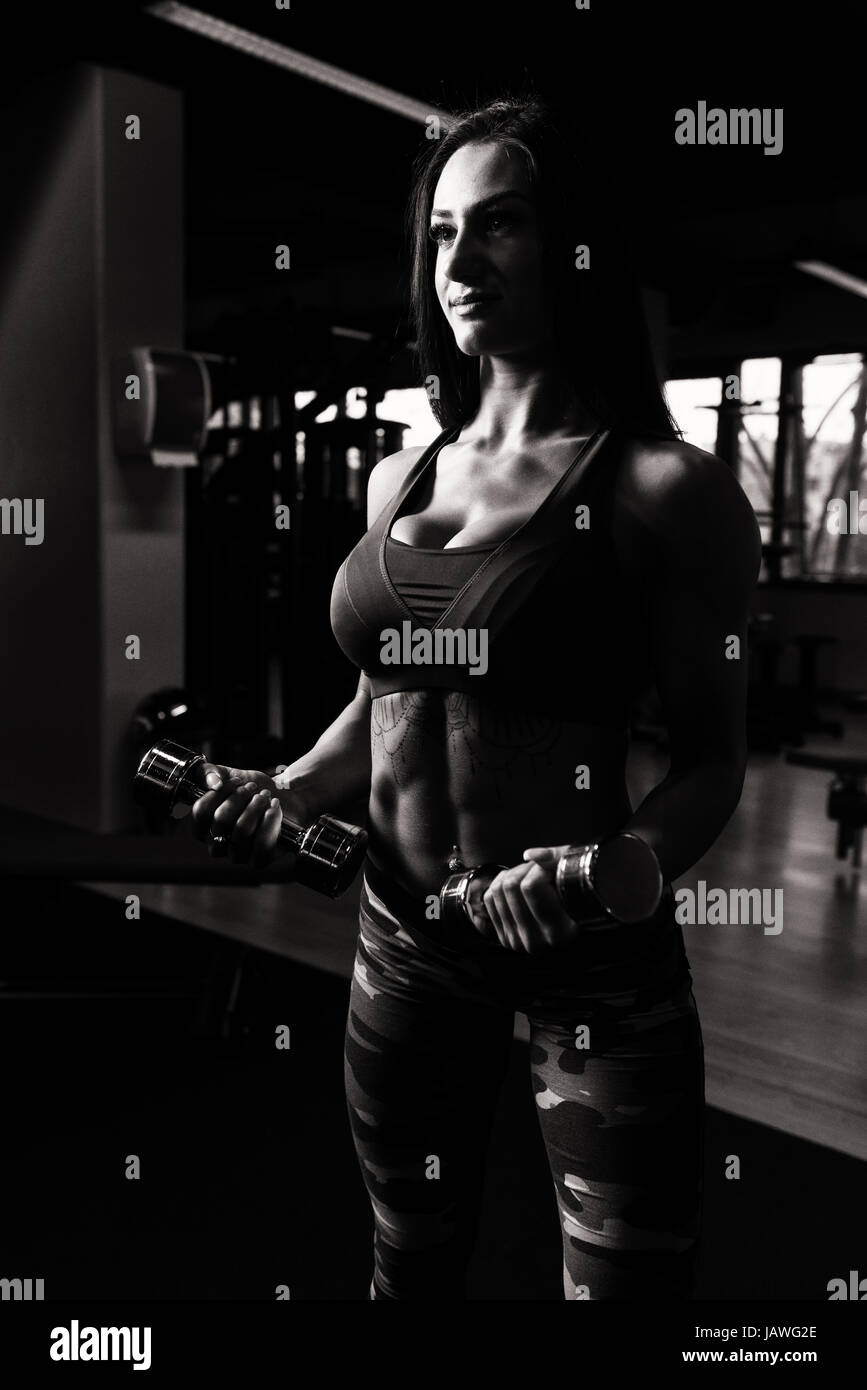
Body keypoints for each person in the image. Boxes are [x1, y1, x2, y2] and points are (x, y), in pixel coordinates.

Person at [191, 95, 762, 1300]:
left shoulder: (668, 487)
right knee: (409, 1262)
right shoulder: (402, 472)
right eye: (443, 231)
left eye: (496, 225)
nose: (458, 262)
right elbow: (383, 699)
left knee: (628, 1289)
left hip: (589, 959)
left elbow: (713, 760)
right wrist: (286, 785)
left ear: (575, 248)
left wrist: (624, 862)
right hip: (404, 939)